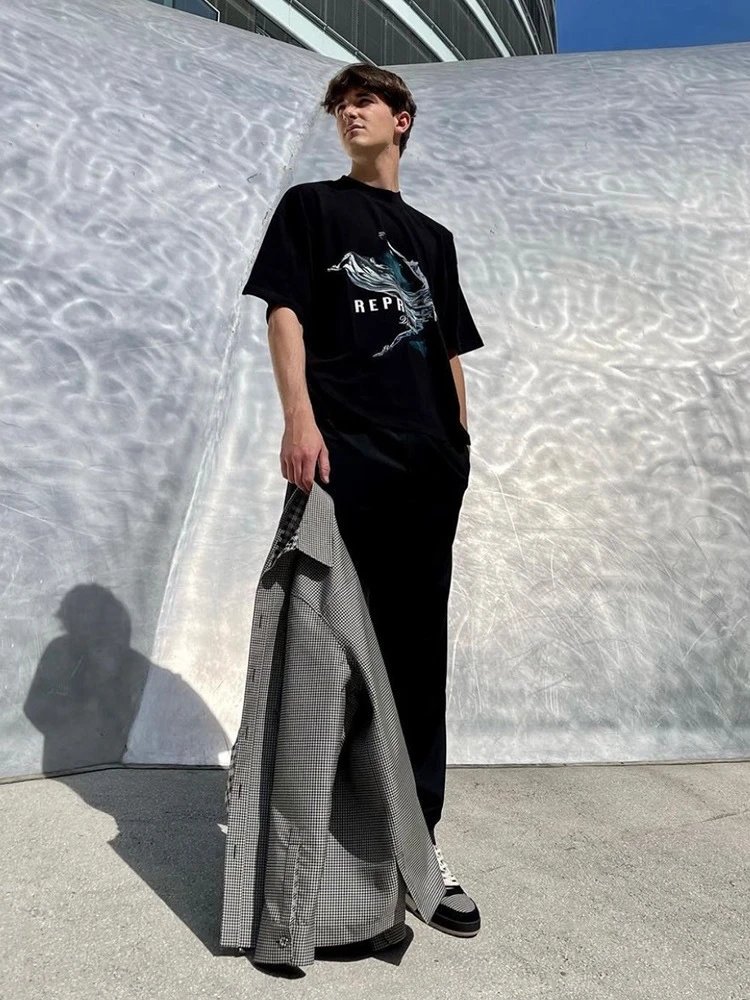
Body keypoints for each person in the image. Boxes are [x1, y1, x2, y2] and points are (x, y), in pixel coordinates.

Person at [241, 63, 484, 938]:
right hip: (346, 458)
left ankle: (418, 851)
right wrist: (299, 419)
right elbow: (285, 313)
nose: (349, 111)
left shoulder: (433, 238)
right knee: (331, 657)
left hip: (428, 470)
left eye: (365, 100)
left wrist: (459, 446)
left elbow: (447, 350)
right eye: (341, 104)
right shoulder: (312, 208)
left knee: (417, 661)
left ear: (402, 119)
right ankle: (330, 865)